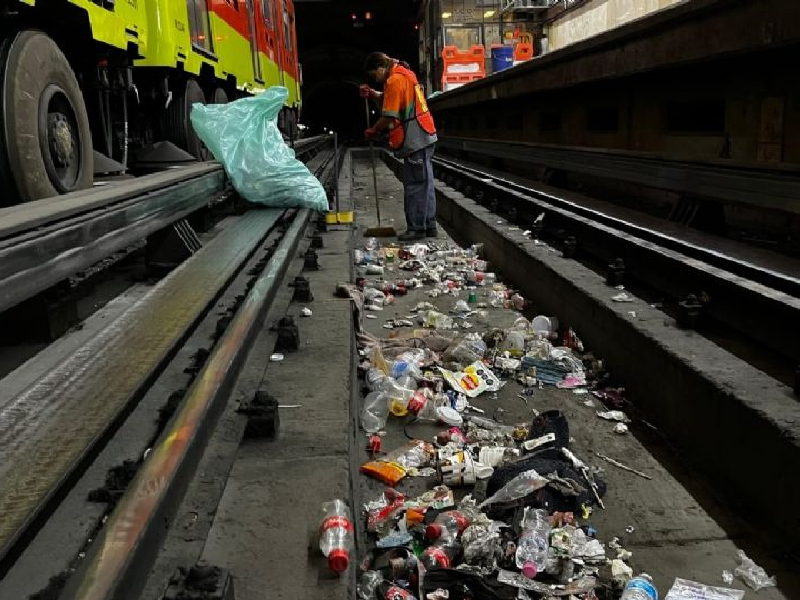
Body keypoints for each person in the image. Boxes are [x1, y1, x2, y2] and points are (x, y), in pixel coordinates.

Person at [361, 52, 438, 241]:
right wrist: (374, 94)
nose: (376, 79)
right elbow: (393, 98)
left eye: (374, 75)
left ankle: (417, 228)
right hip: (425, 134)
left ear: (380, 67)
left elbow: (389, 116)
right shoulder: (405, 73)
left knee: (415, 185)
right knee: (426, 183)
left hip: (415, 138)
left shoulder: (394, 80)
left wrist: (373, 130)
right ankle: (429, 226)